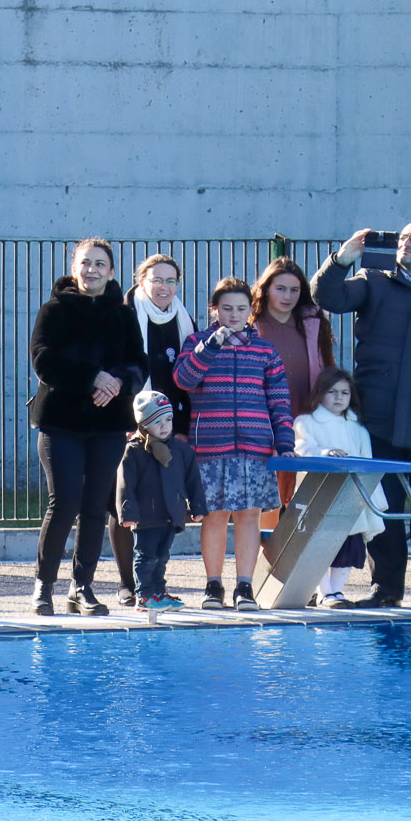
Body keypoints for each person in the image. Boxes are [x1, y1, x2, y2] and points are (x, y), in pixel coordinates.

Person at [26, 237, 147, 617]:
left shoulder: (124, 314)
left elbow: (138, 364)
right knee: (64, 503)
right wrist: (92, 377)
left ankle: (83, 587)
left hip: (109, 425)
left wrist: (117, 383)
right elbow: (43, 362)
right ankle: (43, 586)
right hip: (61, 422)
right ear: (74, 267)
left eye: (99, 264)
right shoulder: (53, 311)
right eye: (85, 263)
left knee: (96, 506)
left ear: (111, 271)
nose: (91, 270)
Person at [313, 223, 411, 606]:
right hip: (380, 419)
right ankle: (386, 588)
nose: (407, 243)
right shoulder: (373, 280)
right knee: (384, 508)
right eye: (405, 238)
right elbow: (328, 296)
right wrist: (341, 260)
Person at [174, 277, 293, 611]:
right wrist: (210, 347)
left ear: (250, 310)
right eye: (226, 308)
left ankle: (244, 587)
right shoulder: (196, 341)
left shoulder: (265, 350)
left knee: (248, 517)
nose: (234, 314)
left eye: (241, 308)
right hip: (210, 445)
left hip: (254, 448)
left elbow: (279, 400)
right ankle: (213, 586)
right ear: (215, 309)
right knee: (214, 516)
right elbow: (183, 379)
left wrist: (284, 442)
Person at [112, 252, 196, 604]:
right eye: (156, 279)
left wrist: (180, 425)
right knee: (125, 506)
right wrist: (130, 424)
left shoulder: (183, 317)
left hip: (168, 425)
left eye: (171, 280)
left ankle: (154, 586)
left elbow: (189, 374)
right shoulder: (124, 314)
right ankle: (127, 584)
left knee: (160, 507)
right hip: (129, 426)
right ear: (141, 281)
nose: (164, 287)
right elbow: (118, 369)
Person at [294, 368, 382, 608]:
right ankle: (324, 592)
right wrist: (324, 454)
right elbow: (301, 448)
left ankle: (336, 591)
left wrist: (375, 500)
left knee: (350, 546)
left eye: (344, 392)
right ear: (320, 394)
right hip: (318, 498)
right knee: (317, 546)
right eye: (331, 392)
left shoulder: (358, 430)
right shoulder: (306, 423)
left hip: (351, 500)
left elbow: (369, 466)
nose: (338, 397)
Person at [114, 390, 207, 613]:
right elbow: (125, 485)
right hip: (146, 517)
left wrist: (197, 506)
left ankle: (158, 592)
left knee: (162, 557)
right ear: (143, 424)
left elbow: (193, 480)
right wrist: (128, 513)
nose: (165, 426)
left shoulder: (181, 450)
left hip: (170, 514)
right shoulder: (134, 450)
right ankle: (145, 594)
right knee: (145, 557)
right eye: (157, 422)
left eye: (168, 419)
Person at [252, 257, 334, 416]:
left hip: (308, 424)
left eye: (294, 290)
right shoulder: (249, 326)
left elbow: (329, 370)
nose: (287, 297)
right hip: (263, 424)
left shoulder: (314, 323)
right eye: (280, 289)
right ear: (266, 289)